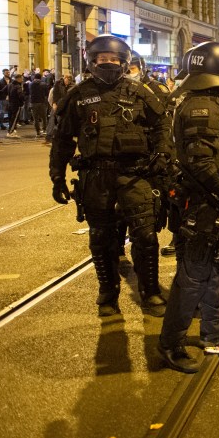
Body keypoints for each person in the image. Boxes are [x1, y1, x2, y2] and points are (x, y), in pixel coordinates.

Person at [50, 35, 170, 317]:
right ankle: (107, 294)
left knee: (146, 236)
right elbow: (63, 140)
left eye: (113, 60)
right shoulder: (78, 95)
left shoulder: (140, 92)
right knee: (101, 237)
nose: (107, 64)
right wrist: (57, 177)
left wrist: (163, 157)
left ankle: (150, 291)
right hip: (96, 176)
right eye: (102, 60)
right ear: (92, 62)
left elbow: (162, 125)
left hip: (135, 175)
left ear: (124, 63)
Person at [158, 42, 219, 373]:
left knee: (213, 268)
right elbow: (201, 165)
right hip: (204, 205)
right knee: (193, 277)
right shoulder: (204, 108)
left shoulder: (213, 103)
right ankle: (171, 343)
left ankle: (214, 329)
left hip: (212, 205)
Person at [29, 73, 51, 138]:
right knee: (44, 117)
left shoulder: (31, 84)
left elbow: (30, 92)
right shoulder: (44, 84)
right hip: (42, 102)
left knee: (35, 118)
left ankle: (38, 132)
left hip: (33, 102)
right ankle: (44, 130)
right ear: (40, 77)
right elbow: (47, 93)